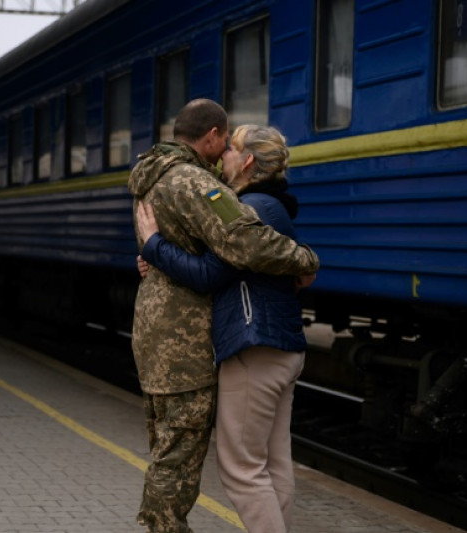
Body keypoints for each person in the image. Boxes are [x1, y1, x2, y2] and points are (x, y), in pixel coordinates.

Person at [127, 99, 320, 533]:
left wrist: (153, 249)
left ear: (248, 160)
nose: (222, 156)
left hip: (235, 345)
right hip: (238, 343)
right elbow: (231, 253)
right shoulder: (217, 190)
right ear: (211, 135)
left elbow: (214, 267)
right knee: (258, 463)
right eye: (224, 143)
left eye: (232, 149)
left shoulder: (154, 180)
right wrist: (305, 260)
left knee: (236, 466)